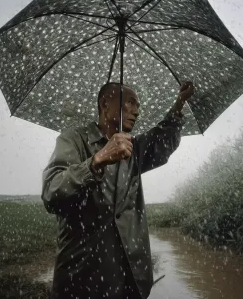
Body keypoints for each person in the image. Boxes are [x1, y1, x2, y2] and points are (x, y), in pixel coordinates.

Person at [41, 81, 195, 299]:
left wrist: (179, 103)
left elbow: (163, 137)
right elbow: (51, 192)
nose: (137, 111)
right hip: (82, 281)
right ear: (105, 104)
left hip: (130, 281)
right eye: (130, 102)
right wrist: (97, 160)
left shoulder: (133, 148)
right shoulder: (73, 139)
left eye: (138, 105)